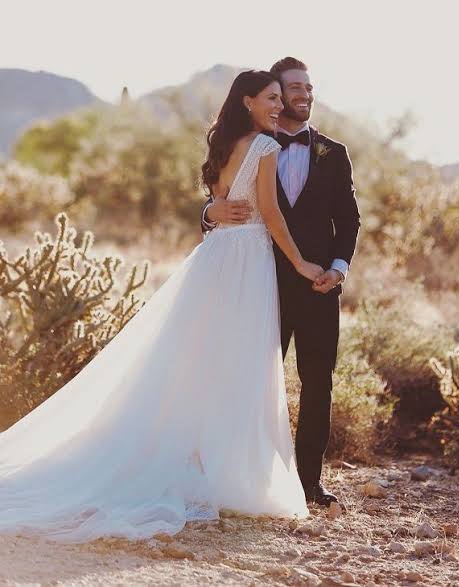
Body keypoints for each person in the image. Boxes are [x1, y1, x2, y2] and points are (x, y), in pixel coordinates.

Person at [0, 70, 323, 543]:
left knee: (200, 360)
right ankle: (226, 471)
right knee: (240, 361)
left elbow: (221, 203)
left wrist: (214, 213)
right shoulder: (266, 147)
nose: (278, 106)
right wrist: (301, 264)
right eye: (271, 98)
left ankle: (202, 459)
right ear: (249, 101)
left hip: (216, 259)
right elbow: (269, 215)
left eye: (281, 98)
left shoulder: (225, 143)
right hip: (246, 261)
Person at [201, 57, 361, 506]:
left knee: (318, 384)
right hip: (258, 283)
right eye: (293, 88)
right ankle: (244, 476)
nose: (303, 95)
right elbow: (221, 202)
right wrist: (208, 213)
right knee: (248, 379)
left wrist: (338, 267)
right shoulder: (249, 143)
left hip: (317, 287)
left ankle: (309, 482)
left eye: (309, 88)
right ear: (273, 93)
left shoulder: (334, 152)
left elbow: (349, 220)